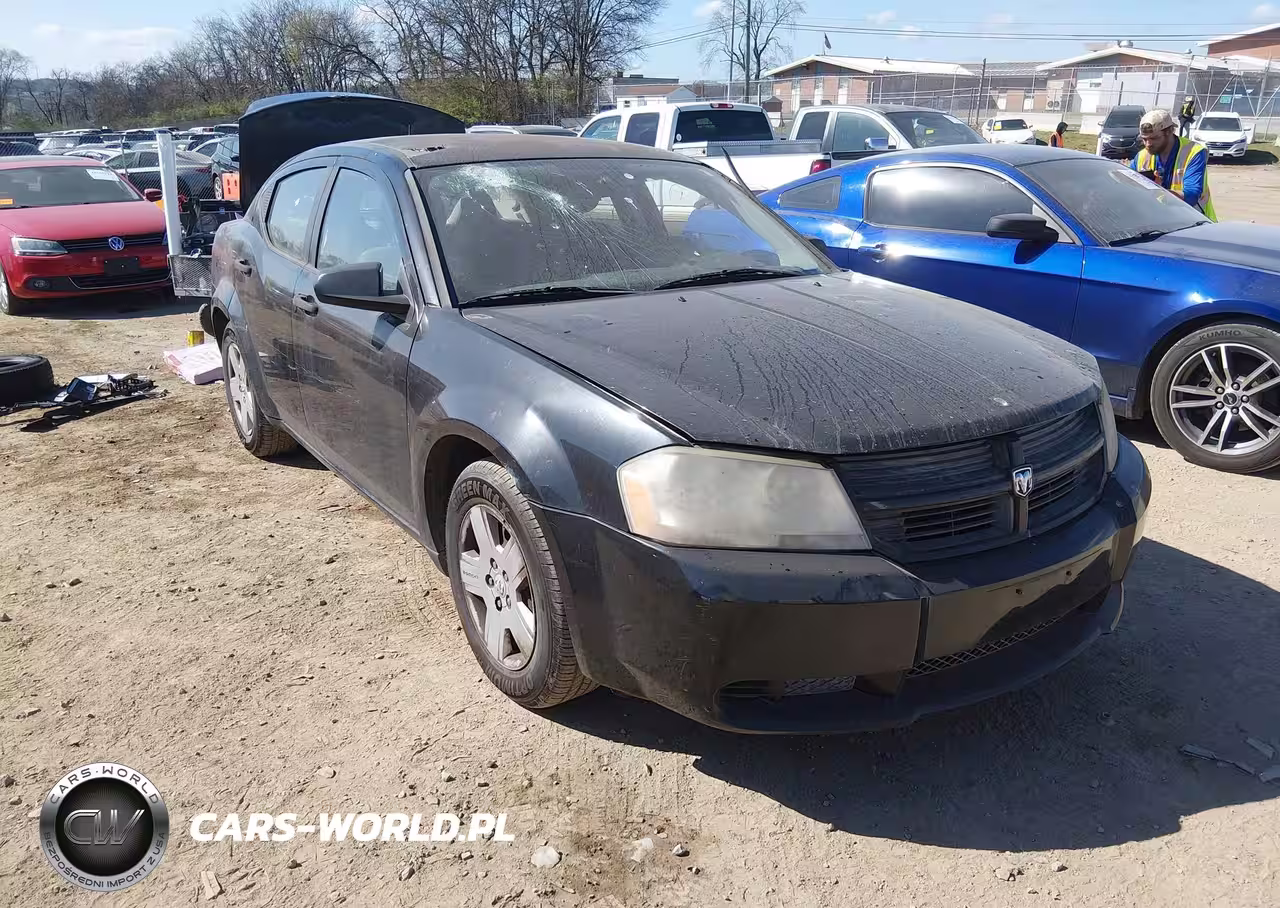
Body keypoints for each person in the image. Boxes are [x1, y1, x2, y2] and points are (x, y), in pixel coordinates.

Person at [1131, 108, 1216, 221]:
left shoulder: (1193, 152)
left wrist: (1158, 191)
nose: (1148, 144)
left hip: (1195, 223)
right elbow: (1129, 188)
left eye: (1154, 138)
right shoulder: (1142, 156)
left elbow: (1191, 195)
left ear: (1170, 131)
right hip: (1158, 224)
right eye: (1144, 139)